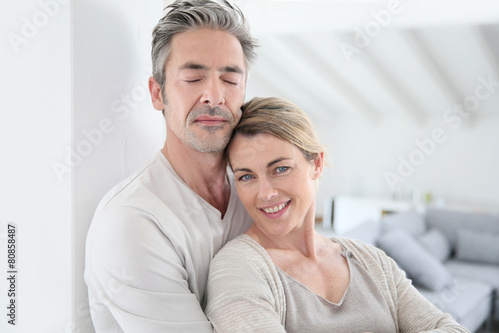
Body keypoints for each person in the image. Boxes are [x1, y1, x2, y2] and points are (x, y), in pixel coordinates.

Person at [205, 97, 469, 333]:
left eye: (280, 169)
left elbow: (448, 328)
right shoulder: (237, 268)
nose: (265, 193)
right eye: (247, 176)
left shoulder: (372, 261)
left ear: (316, 164)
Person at [84, 1, 258, 331]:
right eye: (193, 78)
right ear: (157, 93)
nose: (214, 96)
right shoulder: (132, 222)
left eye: (230, 80)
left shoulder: (255, 196)